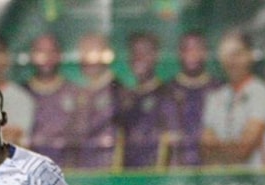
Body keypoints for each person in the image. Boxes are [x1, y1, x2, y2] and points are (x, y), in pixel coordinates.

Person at [201, 30, 265, 167]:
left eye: (237, 54)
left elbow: (243, 150)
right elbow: (205, 150)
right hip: (221, 184)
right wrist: (223, 148)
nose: (231, 61)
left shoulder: (262, 95)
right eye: (225, 55)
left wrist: (217, 148)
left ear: (250, 55)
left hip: (258, 184)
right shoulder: (215, 97)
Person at [119, 31, 180, 168]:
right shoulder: (127, 98)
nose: (138, 57)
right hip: (128, 179)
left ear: (155, 56)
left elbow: (175, 148)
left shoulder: (166, 95)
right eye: (134, 52)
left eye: (144, 52)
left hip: (155, 180)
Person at [24, 33, 82, 167]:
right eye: (40, 51)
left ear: (59, 55)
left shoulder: (75, 93)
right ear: (31, 55)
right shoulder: (21, 94)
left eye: (51, 51)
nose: (46, 57)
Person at [72, 32, 124, 170]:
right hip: (82, 171)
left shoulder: (119, 93)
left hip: (109, 173)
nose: (89, 59)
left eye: (94, 52)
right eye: (84, 53)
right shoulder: (77, 93)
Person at [168, 31, 220, 167]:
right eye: (186, 49)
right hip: (177, 170)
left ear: (206, 52)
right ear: (180, 53)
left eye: (197, 48)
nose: (192, 54)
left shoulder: (219, 89)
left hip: (212, 167)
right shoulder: (167, 90)